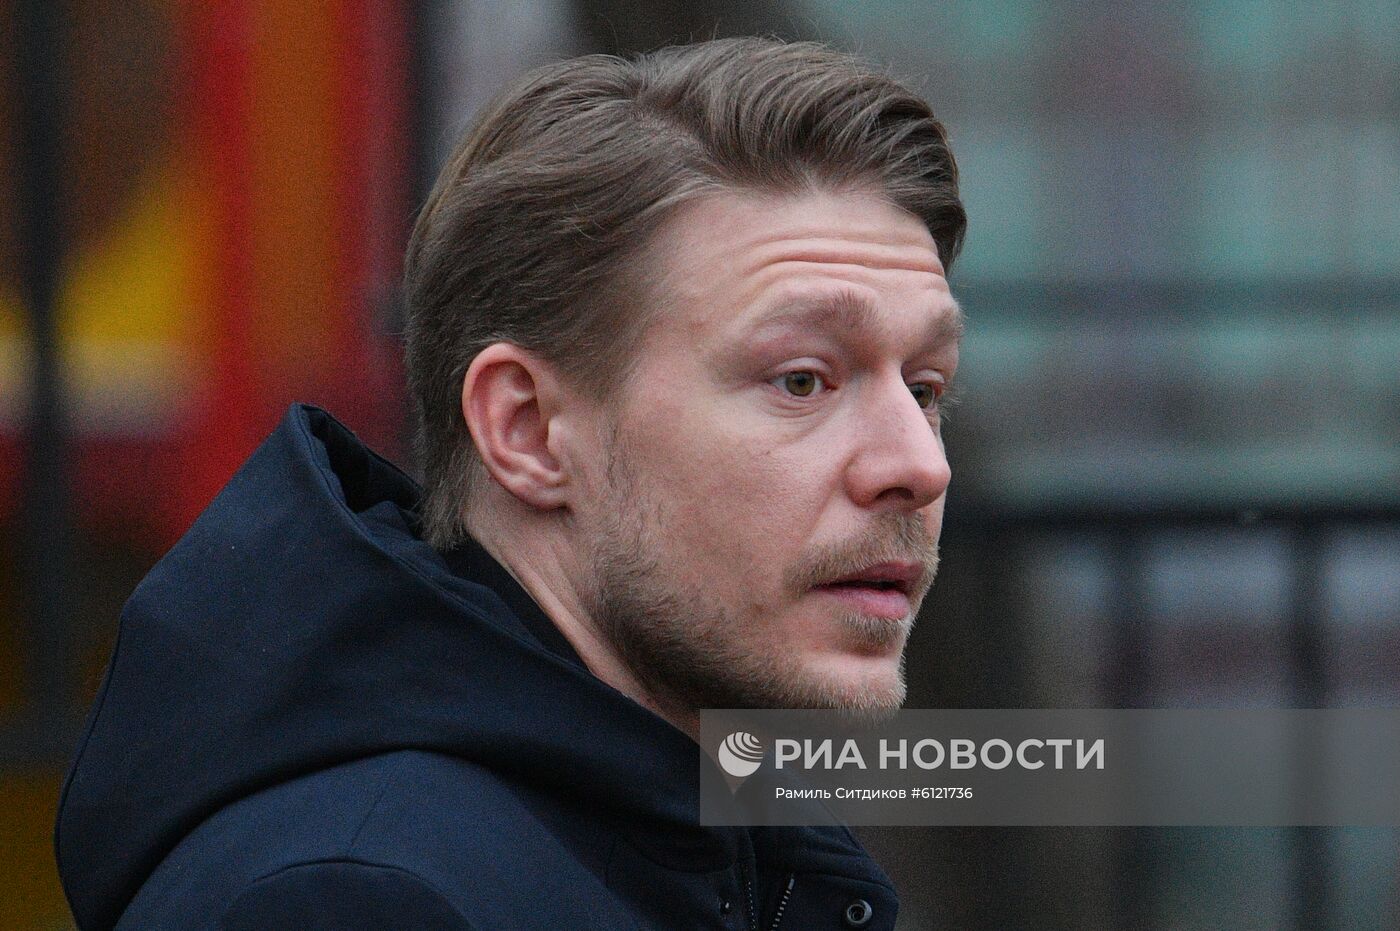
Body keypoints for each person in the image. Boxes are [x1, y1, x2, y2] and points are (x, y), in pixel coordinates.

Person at [55, 36, 965, 930]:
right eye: (801, 380)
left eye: (925, 389)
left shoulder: (734, 850)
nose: (920, 466)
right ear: (526, 429)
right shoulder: (361, 899)